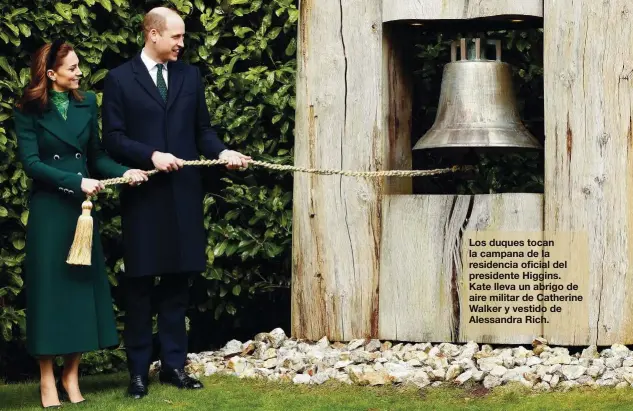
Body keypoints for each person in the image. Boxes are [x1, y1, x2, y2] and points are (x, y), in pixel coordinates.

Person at [101, 7, 250, 399]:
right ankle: (136, 373)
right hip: (143, 196)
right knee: (139, 287)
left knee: (176, 287)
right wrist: (150, 155)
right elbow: (113, 138)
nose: (182, 44)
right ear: (152, 34)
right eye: (176, 37)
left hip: (183, 195)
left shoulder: (189, 76)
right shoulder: (119, 79)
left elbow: (203, 131)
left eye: (182, 37)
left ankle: (173, 367)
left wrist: (224, 152)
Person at [13, 40, 148, 408]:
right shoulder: (28, 110)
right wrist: (76, 180)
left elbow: (96, 156)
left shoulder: (87, 103)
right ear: (51, 74)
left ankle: (71, 376)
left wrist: (126, 172)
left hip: (81, 213)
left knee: (77, 294)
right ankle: (46, 380)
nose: (79, 73)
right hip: (50, 212)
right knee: (48, 296)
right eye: (72, 68)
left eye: (78, 67)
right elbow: (32, 164)